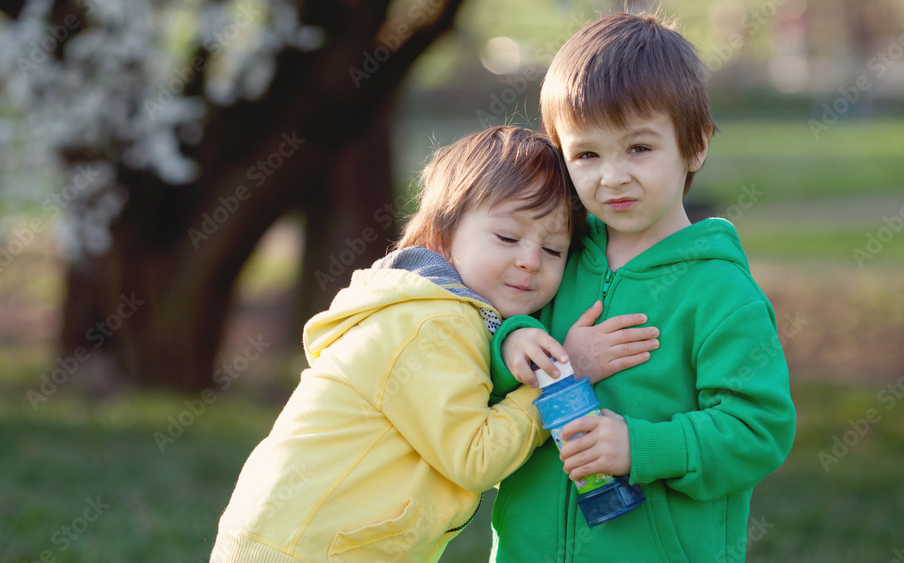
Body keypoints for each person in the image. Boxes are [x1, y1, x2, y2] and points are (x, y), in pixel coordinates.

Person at [210, 126, 660, 563]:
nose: (528, 261)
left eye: (553, 250)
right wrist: (566, 376)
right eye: (507, 237)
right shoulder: (434, 323)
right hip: (305, 550)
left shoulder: (432, 308)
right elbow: (476, 457)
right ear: (442, 236)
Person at [487, 12, 797, 562]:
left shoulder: (720, 292)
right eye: (586, 154)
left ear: (695, 146)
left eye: (638, 149)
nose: (612, 177)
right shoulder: (555, 257)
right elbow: (483, 369)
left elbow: (758, 430)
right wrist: (510, 339)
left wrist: (640, 447)